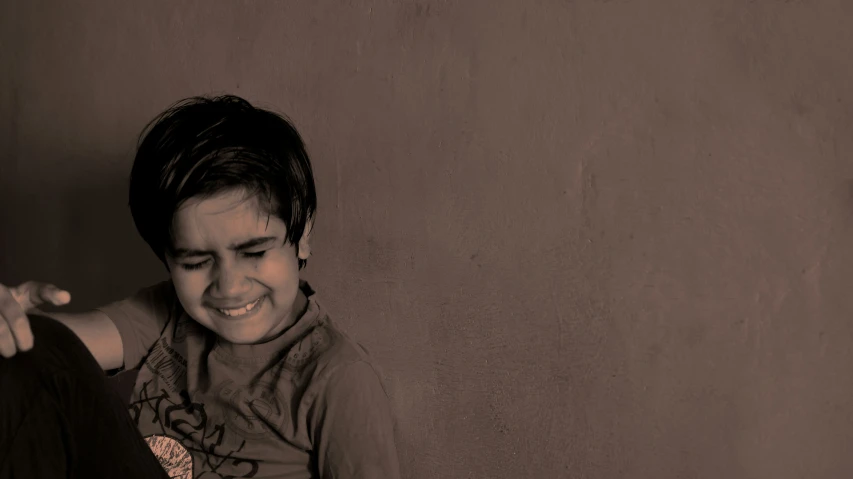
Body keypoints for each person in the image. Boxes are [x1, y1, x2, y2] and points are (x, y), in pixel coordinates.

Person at [0, 95, 402, 479]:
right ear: (168, 258)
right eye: (196, 262)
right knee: (25, 352)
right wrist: (14, 323)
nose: (228, 286)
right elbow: (56, 358)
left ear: (303, 233)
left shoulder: (338, 378)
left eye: (253, 252)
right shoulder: (166, 312)